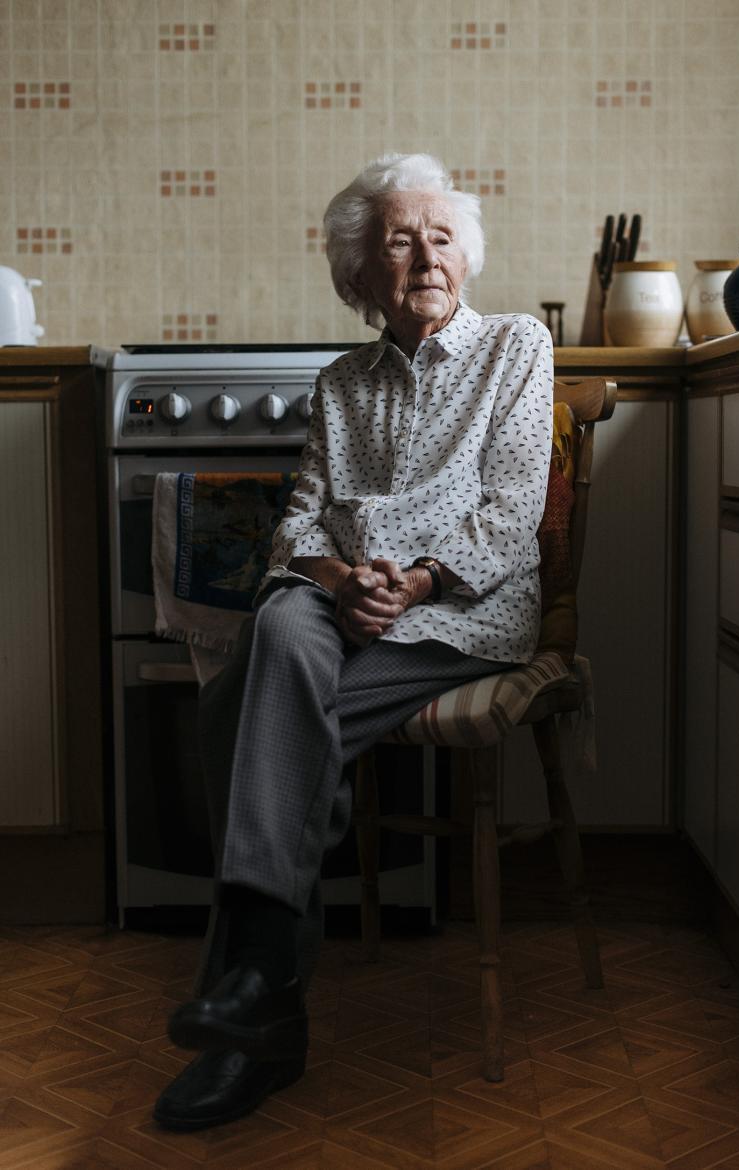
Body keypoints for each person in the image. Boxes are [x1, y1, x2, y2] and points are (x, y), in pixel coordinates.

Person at [154, 152, 553, 1131]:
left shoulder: (516, 347)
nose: (425, 254)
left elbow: (511, 512)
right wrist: (339, 579)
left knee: (236, 706)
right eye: (400, 240)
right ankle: (256, 995)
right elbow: (299, 527)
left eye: (442, 235)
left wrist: (415, 581)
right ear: (362, 275)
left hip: (461, 615)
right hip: (342, 614)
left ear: (469, 255)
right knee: (288, 613)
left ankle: (257, 1010)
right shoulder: (341, 384)